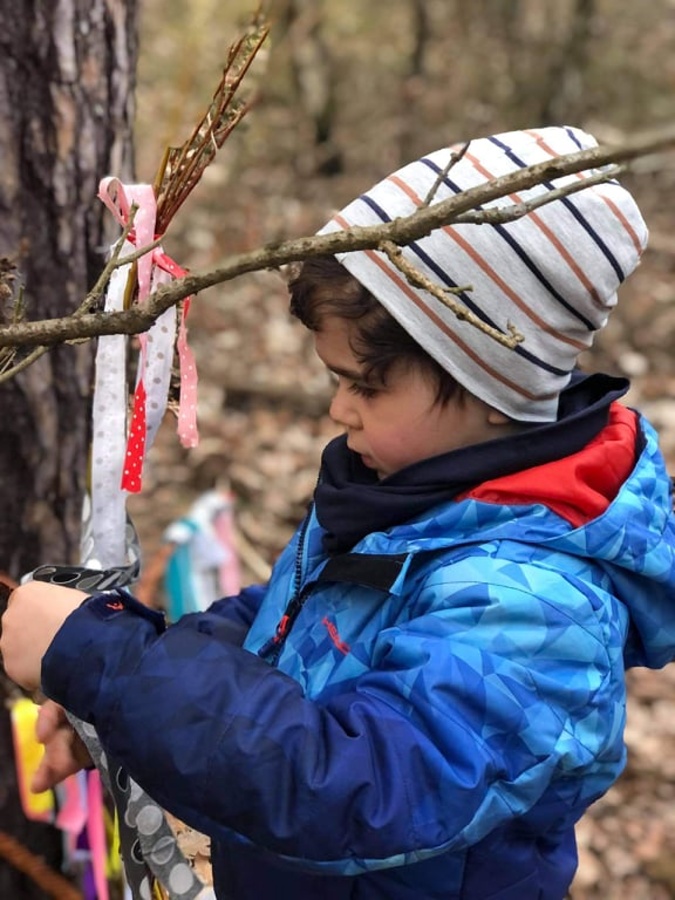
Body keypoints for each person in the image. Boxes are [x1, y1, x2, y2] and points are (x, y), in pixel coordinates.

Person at [2, 125, 675, 900]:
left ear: (493, 384)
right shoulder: (411, 495)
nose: (338, 410)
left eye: (364, 384)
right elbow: (285, 625)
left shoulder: (537, 604)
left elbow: (351, 792)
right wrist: (123, 698)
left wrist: (109, 665)